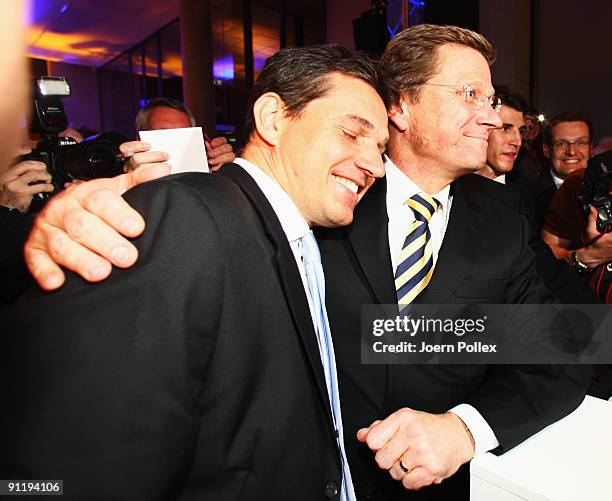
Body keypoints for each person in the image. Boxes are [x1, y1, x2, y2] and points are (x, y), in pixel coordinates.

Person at [21, 25, 589, 500]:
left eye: (491, 100)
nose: (491, 118)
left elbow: (570, 340)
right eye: (469, 94)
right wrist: (61, 217)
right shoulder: (316, 197)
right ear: (402, 108)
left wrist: (462, 428)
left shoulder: (503, 218)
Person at [0, 44, 389, 500]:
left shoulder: (308, 237)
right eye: (352, 133)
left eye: (381, 148)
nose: (375, 166)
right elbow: (63, 470)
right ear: (272, 119)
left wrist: (465, 424)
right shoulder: (185, 217)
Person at [517, 111, 594, 226]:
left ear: (591, 149)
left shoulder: (604, 189)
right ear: (546, 150)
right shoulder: (526, 199)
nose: (572, 152)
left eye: (581, 143)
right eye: (562, 144)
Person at [122, 97, 235, 173]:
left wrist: (228, 172)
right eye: (164, 134)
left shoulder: (205, 176)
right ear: (139, 140)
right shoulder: (125, 186)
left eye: (184, 134)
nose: (175, 143)